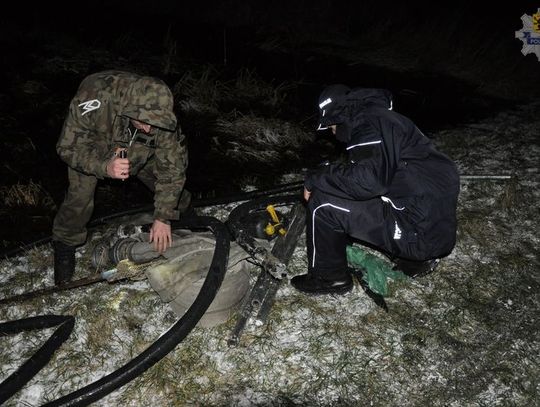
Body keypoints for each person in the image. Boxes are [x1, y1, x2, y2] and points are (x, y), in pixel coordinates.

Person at [291, 84, 460, 295]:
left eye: (331, 127)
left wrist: (315, 178)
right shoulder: (387, 120)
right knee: (345, 185)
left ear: (338, 116)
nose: (333, 134)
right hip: (437, 232)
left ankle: (328, 278)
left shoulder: (366, 125)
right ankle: (413, 259)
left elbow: (368, 183)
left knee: (322, 202)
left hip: (419, 237)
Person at [52, 70, 191, 285]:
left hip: (135, 148)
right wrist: (104, 167)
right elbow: (67, 148)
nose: (148, 127)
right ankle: (65, 244)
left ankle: (185, 215)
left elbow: (172, 170)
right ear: (129, 109)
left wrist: (163, 216)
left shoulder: (161, 121)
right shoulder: (93, 97)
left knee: (171, 188)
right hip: (93, 145)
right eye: (144, 120)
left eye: (154, 122)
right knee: (79, 196)